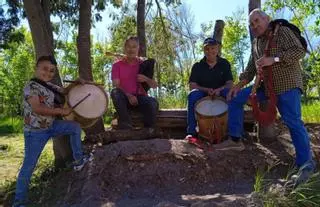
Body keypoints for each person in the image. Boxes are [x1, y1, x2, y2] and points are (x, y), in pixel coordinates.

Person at [215, 9, 316, 186]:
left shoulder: (281, 31)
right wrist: (237, 86)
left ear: (266, 19)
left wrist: (274, 59)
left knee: (293, 122)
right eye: (251, 24)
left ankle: (306, 166)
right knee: (235, 98)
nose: (254, 26)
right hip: (264, 86)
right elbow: (250, 70)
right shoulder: (255, 43)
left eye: (256, 21)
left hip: (287, 85)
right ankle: (235, 139)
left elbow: (299, 51)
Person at [13, 56, 93, 207]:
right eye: (44, 69)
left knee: (75, 127)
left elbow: (64, 91)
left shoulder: (49, 86)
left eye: (51, 71)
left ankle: (78, 160)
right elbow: (37, 108)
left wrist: (76, 82)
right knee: (29, 166)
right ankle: (19, 202)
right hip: (35, 132)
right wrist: (61, 111)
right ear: (36, 68)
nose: (48, 73)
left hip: (51, 126)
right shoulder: (31, 86)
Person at [186, 37, 233, 139]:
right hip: (203, 93)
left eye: (213, 48)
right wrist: (207, 90)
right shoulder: (197, 66)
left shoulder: (224, 64)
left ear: (217, 49)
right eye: (207, 49)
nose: (210, 51)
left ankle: (234, 132)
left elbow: (229, 84)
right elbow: (192, 85)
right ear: (204, 50)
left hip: (221, 92)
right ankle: (191, 132)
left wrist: (219, 90)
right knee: (192, 95)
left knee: (231, 93)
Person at [110, 36, 158, 129]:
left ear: (138, 48)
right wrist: (129, 96)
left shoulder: (143, 64)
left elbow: (154, 85)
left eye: (134, 47)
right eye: (128, 46)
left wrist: (146, 79)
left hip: (141, 98)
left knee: (152, 102)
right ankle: (126, 126)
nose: (131, 49)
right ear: (124, 47)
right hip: (124, 98)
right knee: (115, 93)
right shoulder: (117, 65)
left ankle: (148, 130)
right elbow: (116, 85)